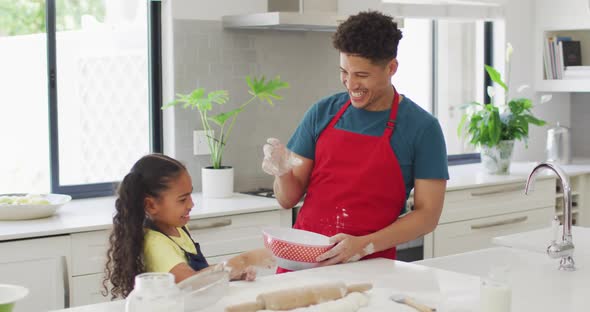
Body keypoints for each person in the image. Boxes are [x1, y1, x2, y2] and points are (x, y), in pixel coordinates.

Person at [262, 11, 449, 272]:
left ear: (391, 68)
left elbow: (427, 216)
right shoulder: (322, 112)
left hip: (372, 268)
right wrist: (282, 172)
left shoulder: (422, 128)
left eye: (362, 75)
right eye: (344, 72)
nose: (350, 84)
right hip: (302, 263)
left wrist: (363, 244)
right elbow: (287, 199)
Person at [104, 153, 273, 298]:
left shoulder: (176, 228)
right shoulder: (155, 244)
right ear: (151, 205)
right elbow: (191, 283)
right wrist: (242, 261)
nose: (191, 204)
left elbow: (201, 277)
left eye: (190, 195)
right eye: (182, 199)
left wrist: (228, 275)